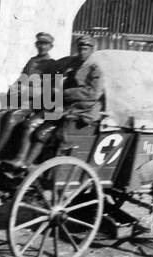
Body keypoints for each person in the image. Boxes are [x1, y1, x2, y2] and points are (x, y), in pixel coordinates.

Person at [8, 35, 104, 168]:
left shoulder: (95, 69)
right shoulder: (71, 63)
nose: (82, 50)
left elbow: (93, 93)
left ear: (92, 49)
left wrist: (64, 93)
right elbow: (56, 74)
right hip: (58, 105)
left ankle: (26, 165)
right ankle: (18, 159)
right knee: (29, 123)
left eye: (86, 48)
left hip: (79, 110)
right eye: (80, 47)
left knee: (42, 132)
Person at [0, 32, 56, 159]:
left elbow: (48, 91)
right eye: (39, 43)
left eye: (45, 44)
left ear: (50, 47)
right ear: (36, 44)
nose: (41, 46)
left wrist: (25, 91)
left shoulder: (52, 64)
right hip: (20, 100)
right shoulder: (32, 61)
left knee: (12, 115)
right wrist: (13, 89)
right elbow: (21, 79)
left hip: (36, 104)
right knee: (2, 111)